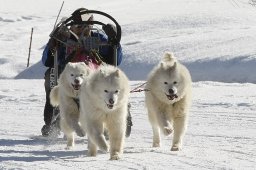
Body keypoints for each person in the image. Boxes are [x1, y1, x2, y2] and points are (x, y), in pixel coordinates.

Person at [41, 8, 132, 137]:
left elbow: (116, 60)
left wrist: (115, 43)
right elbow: (46, 61)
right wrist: (51, 46)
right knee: (50, 75)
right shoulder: (64, 39)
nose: (82, 30)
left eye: (86, 26)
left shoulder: (98, 38)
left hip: (95, 78)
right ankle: (52, 120)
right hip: (68, 77)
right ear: (71, 26)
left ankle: (118, 118)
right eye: (78, 26)